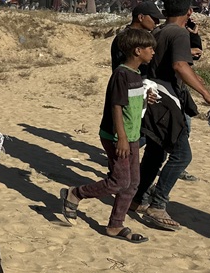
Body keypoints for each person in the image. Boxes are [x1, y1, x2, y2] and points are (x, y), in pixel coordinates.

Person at [60, 29, 156, 242]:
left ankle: (115, 225)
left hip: (132, 136)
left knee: (133, 183)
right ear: (137, 51)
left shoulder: (136, 75)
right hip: (117, 137)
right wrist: (121, 137)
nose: (153, 52)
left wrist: (145, 99)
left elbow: (130, 104)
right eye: (150, 48)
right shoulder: (121, 74)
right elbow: (116, 106)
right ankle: (75, 194)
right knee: (119, 181)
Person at [134, 0, 210, 230]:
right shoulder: (178, 33)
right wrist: (206, 93)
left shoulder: (157, 31)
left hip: (153, 100)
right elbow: (179, 65)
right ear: (189, 11)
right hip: (166, 101)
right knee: (182, 156)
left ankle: (138, 198)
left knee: (155, 153)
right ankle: (157, 205)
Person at [110, 2, 162, 71]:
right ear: (141, 17)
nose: (157, 22)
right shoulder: (125, 38)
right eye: (154, 18)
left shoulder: (141, 36)